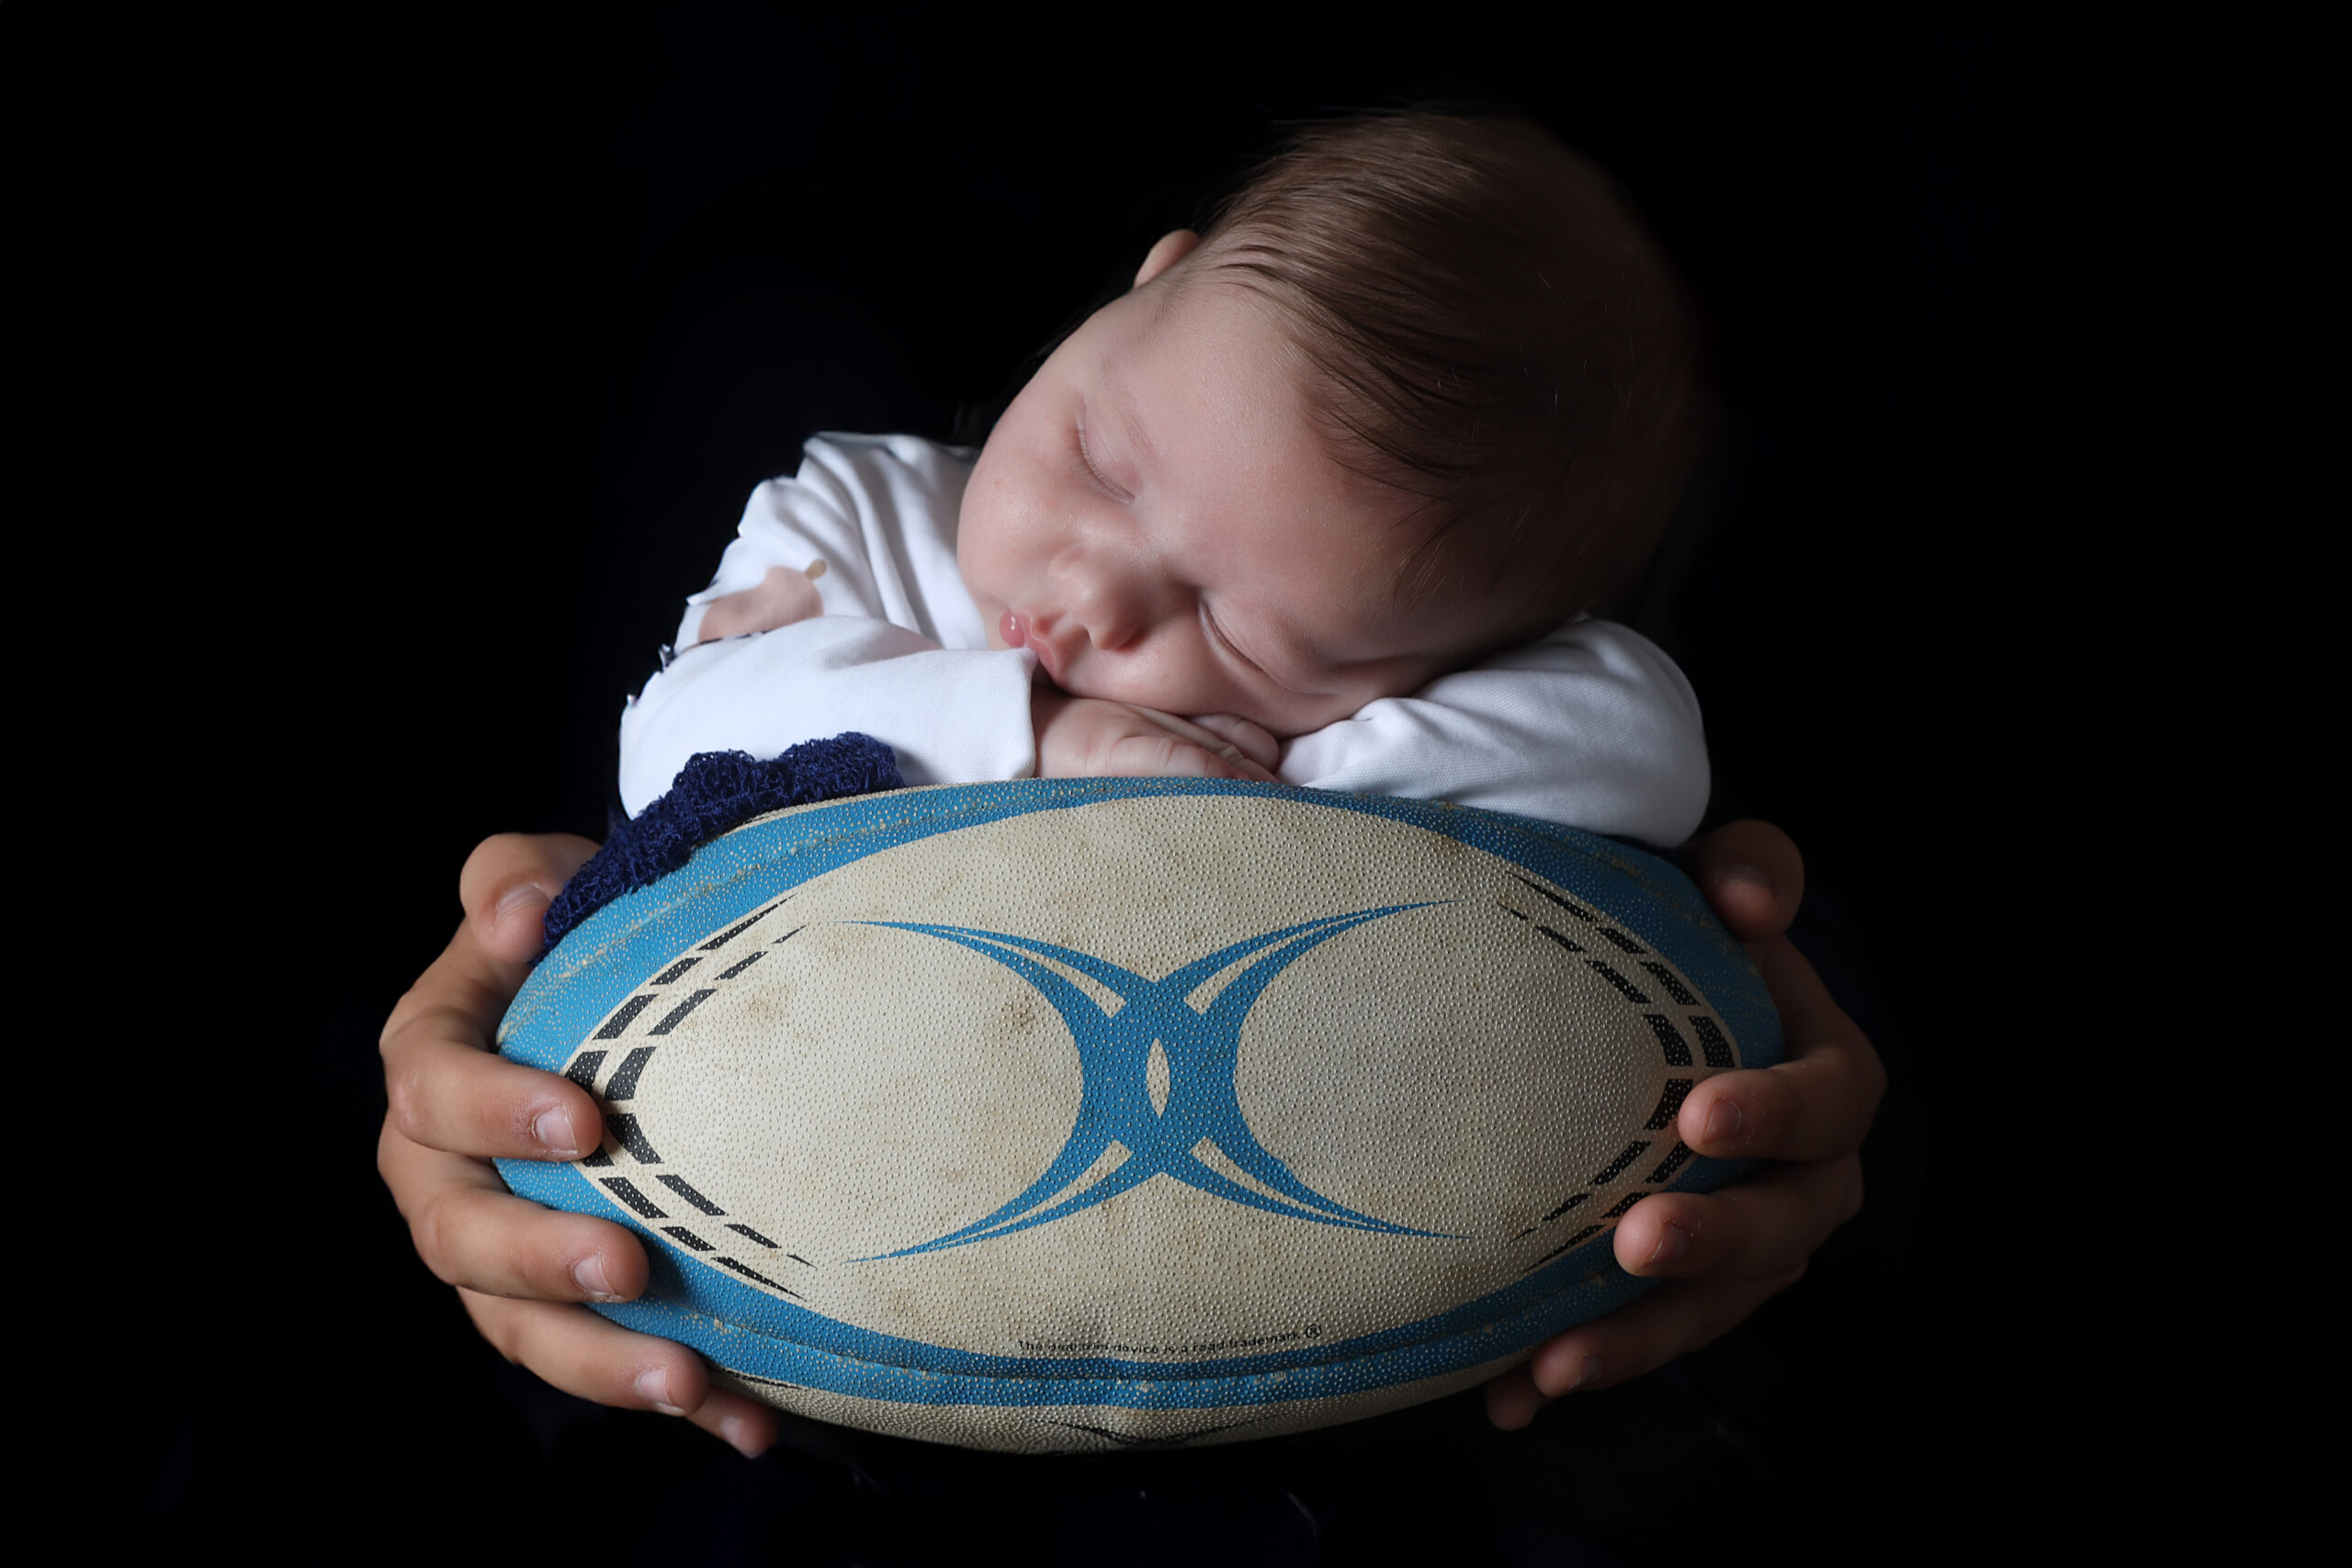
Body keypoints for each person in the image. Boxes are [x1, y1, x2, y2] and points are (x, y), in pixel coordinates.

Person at [377, 108, 1882, 1463]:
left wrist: (1307, 775)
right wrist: (1048, 733)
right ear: (1139, 285)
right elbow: (682, 743)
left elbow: (1638, 745)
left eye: (1238, 626)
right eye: (1102, 459)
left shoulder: (1445, 683)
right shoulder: (861, 513)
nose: (1092, 598)